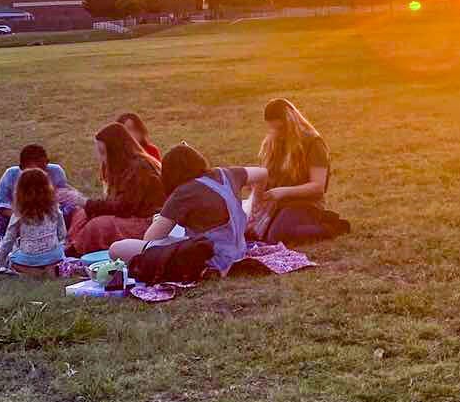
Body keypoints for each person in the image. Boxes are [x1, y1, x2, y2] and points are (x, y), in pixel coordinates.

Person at [110, 143, 267, 275]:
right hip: (238, 251)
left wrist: (159, 220)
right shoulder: (228, 173)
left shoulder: (184, 193)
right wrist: (255, 206)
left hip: (210, 259)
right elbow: (263, 173)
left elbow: (151, 239)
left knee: (117, 249)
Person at [248, 98, 350, 243]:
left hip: (305, 204)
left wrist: (282, 192)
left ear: (291, 123)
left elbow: (318, 187)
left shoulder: (313, 143)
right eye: (272, 128)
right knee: (249, 232)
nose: (277, 133)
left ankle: (332, 226)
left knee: (278, 237)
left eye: (280, 128)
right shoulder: (272, 142)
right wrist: (256, 187)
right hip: (277, 205)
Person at [60, 123, 165, 255]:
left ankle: (71, 253)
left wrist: (86, 202)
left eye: (103, 152)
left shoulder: (140, 168)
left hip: (147, 222)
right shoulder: (118, 166)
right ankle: (70, 245)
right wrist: (81, 201)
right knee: (81, 214)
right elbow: (112, 202)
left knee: (99, 225)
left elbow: (124, 207)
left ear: (116, 150)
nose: (100, 157)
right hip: (129, 215)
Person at [0, 144, 69, 236]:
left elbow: (64, 200)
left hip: (48, 219)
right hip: (18, 219)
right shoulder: (11, 174)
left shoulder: (56, 171)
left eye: (42, 169)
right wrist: (22, 219)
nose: (37, 175)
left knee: (71, 211)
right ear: (21, 167)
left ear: (47, 162)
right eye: (31, 171)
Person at [0, 168, 67, 278]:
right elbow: (62, 234)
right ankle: (49, 270)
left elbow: (9, 240)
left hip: (29, 258)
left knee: (13, 258)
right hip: (54, 256)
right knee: (56, 254)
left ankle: (33, 272)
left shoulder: (19, 213)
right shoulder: (54, 208)